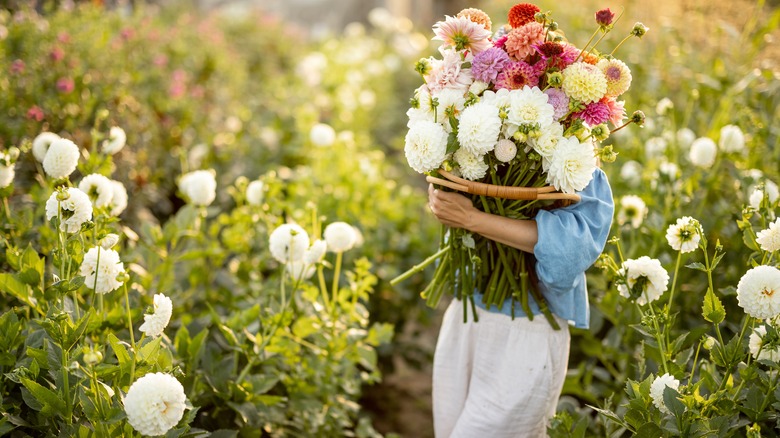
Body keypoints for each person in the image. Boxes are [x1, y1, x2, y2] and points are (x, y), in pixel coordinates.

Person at [426, 167, 614, 437]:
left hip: (527, 330)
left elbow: (570, 250)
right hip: (465, 314)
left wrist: (471, 218)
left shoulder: (578, 159)